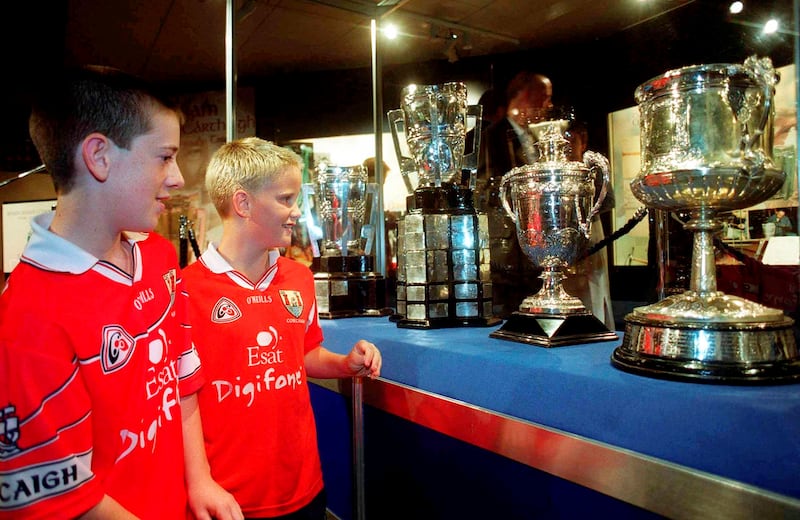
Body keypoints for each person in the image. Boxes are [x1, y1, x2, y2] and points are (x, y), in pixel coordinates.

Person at [0, 65, 240, 519]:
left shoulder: (160, 256)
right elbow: (63, 498)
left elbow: (181, 379)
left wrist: (200, 479)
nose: (178, 178)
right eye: (164, 157)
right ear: (100, 156)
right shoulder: (26, 318)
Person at [183, 137, 382, 519]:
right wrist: (200, 481)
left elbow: (303, 354)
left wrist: (345, 363)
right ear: (243, 203)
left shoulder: (298, 278)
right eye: (286, 199)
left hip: (304, 488)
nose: (295, 212)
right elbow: (180, 397)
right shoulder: (186, 290)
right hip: (229, 500)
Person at [477, 72, 554, 317]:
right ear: (527, 96)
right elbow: (485, 192)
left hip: (532, 256)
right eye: (545, 98)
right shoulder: (488, 138)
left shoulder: (535, 139)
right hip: (506, 259)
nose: (548, 105)